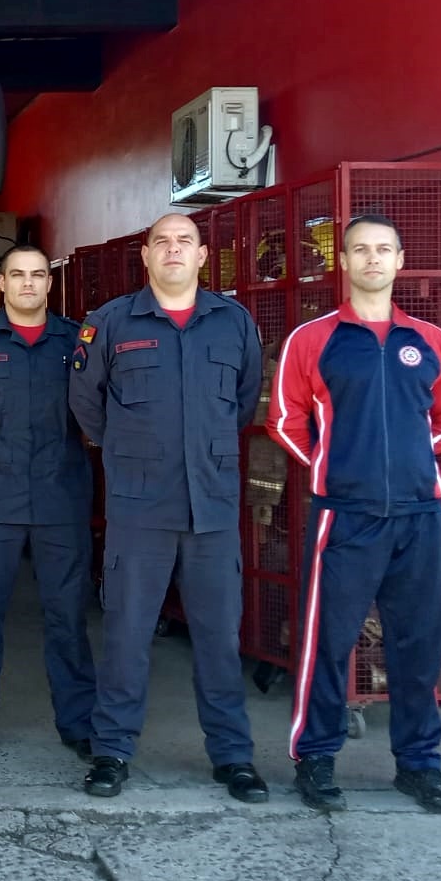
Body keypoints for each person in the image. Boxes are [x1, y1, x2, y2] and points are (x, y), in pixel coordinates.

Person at [268, 213, 441, 813]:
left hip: (418, 515)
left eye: (383, 250)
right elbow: (285, 419)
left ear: (400, 262)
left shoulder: (430, 342)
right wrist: (336, 472)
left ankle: (419, 765)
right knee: (326, 643)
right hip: (344, 516)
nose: (372, 259)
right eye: (360, 250)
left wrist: (406, 467)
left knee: (418, 645)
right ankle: (317, 759)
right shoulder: (313, 340)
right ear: (344, 263)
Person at [68, 213, 268, 802]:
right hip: (139, 509)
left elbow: (242, 405)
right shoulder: (110, 324)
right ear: (146, 256)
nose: (174, 250)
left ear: (203, 256)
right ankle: (111, 752)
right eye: (163, 242)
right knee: (126, 635)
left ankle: (233, 758)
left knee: (218, 638)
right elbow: (87, 406)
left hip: (212, 508)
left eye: (185, 242)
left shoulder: (233, 324)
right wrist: (135, 454)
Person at [0, 245, 98, 762]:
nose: (28, 283)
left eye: (37, 275)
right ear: (0, 284)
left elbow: (99, 412)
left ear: (49, 284)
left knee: (67, 616)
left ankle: (79, 726)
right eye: (17, 275)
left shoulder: (77, 342)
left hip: (62, 498)